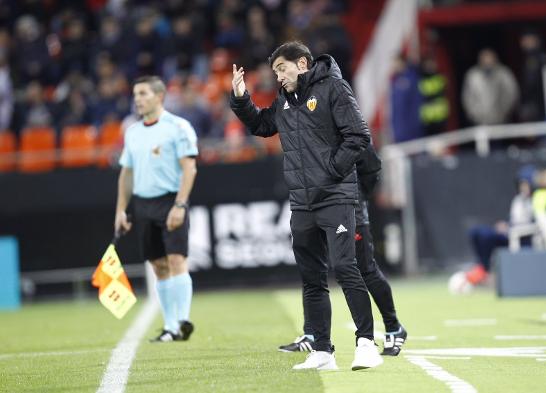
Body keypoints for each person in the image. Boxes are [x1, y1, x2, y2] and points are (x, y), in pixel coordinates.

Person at [230, 41, 383, 371]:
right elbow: (261, 126)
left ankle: (366, 343)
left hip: (335, 197)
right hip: (302, 203)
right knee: (312, 277)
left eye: (281, 70)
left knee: (345, 267)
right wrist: (241, 99)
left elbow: (358, 136)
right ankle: (322, 351)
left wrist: (331, 172)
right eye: (274, 73)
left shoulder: (333, 88)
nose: (278, 78)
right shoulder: (284, 101)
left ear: (302, 64)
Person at [278, 143, 408, 356]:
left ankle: (394, 327)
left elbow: (371, 167)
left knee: (364, 269)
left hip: (349, 207)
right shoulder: (316, 121)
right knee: (313, 272)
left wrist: (356, 196)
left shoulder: (347, 123)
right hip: (319, 206)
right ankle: (311, 334)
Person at [115, 75, 198, 342]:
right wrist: (121, 210)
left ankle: (183, 321)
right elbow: (126, 175)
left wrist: (180, 204)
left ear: (159, 96)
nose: (137, 99)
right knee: (158, 265)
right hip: (144, 203)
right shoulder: (132, 131)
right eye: (135, 94)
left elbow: (190, 168)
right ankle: (170, 326)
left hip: (171, 200)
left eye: (143, 93)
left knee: (176, 260)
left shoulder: (178, 127)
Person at [465, 165, 536, 285]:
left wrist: (511, 228)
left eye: (526, 184)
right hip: (510, 234)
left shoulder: (537, 199)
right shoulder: (519, 200)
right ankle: (483, 269)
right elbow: (515, 219)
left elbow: (534, 223)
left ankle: (485, 271)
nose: (523, 187)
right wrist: (506, 225)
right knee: (477, 232)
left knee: (487, 236)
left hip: (524, 238)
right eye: (521, 184)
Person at [461, 48, 519, 126]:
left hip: (501, 120)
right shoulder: (473, 75)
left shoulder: (504, 73)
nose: (487, 61)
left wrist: (503, 113)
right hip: (480, 122)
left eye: (490, 58)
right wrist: (476, 116)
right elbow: (467, 98)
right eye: (485, 58)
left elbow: (511, 94)